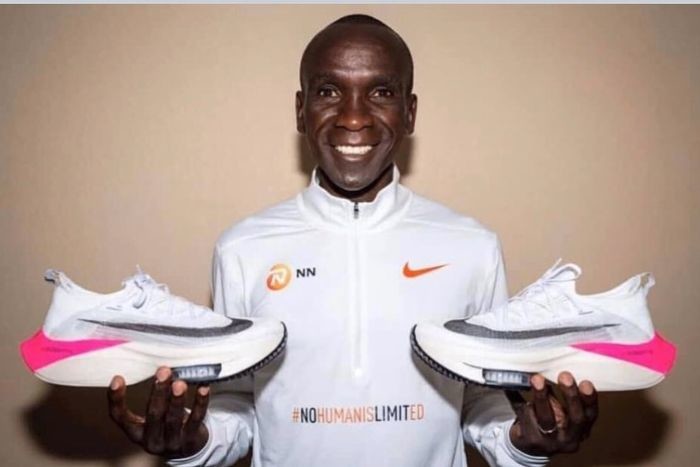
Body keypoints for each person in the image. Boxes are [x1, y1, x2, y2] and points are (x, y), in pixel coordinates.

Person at [107, 14, 598, 466]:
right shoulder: (242, 248)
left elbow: (483, 402)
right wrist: (196, 443)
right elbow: (238, 403)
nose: (354, 117)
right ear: (301, 110)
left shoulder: (472, 246)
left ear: (410, 113)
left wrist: (524, 441)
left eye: (381, 92)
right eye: (328, 91)